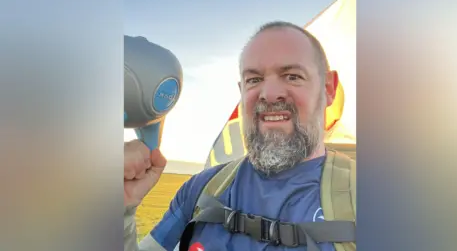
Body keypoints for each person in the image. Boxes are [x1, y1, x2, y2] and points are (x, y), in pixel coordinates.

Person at [124, 21, 356, 251]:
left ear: (328, 88)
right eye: (254, 80)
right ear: (242, 92)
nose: (270, 94)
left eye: (292, 76)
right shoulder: (202, 189)